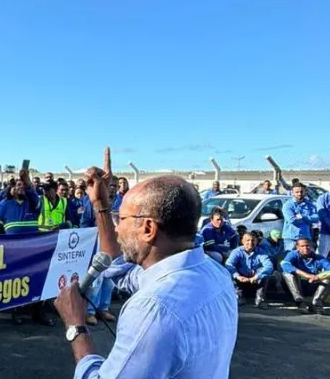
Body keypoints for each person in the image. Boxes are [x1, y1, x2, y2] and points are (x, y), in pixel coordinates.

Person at [54, 149, 237, 379]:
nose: (117, 228)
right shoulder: (216, 273)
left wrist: (75, 327)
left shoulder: (155, 309)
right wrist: (100, 204)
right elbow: (118, 266)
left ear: (148, 229)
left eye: (122, 219)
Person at [280, 238, 330, 315]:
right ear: (297, 247)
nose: (305, 248)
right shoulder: (293, 254)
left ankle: (316, 304)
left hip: (312, 284)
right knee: (287, 274)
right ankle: (300, 303)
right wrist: (307, 275)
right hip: (296, 285)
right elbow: (284, 264)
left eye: (307, 246)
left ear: (311, 246)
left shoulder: (318, 257)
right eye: (302, 246)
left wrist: (318, 277)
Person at [225, 232, 273, 309]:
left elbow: (269, 266)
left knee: (265, 273)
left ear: (256, 242)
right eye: (247, 240)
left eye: (253, 240)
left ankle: (260, 299)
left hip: (255, 279)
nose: (250, 243)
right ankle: (238, 296)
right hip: (240, 279)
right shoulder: (236, 252)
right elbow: (229, 265)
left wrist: (257, 276)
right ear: (242, 241)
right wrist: (237, 276)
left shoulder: (261, 252)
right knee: (229, 272)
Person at [282, 184, 319, 250]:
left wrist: (303, 217)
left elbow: (316, 218)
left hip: (306, 237)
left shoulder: (310, 205)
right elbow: (292, 220)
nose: (299, 194)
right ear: (292, 193)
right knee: (291, 258)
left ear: (305, 192)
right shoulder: (288, 205)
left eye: (302, 191)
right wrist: (308, 220)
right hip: (291, 238)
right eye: (297, 192)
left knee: (306, 259)